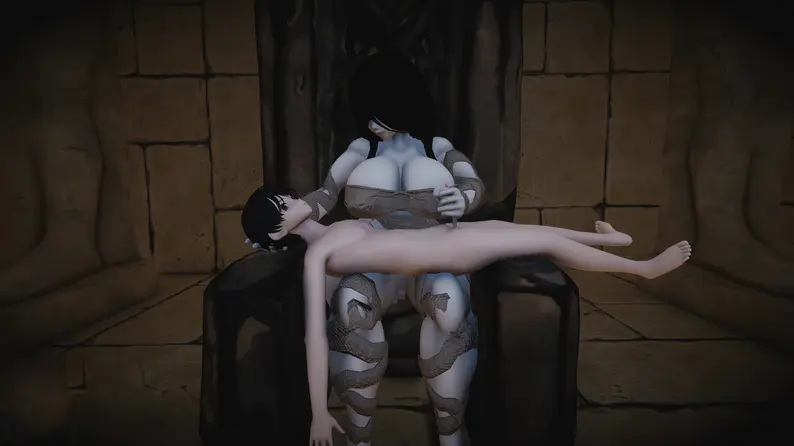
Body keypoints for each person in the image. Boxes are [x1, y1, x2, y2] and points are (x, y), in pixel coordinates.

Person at [241, 184, 692, 446]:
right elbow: (315, 337)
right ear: (277, 233)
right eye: (282, 208)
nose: (292, 202)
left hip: (443, 237)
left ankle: (613, 242)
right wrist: (320, 413)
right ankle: (644, 269)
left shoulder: (331, 229)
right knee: (541, 242)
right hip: (448, 254)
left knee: (512, 229)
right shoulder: (316, 255)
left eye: (285, 197)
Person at [248, 51, 488, 446]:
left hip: (432, 257)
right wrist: (288, 216)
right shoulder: (362, 148)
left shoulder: (438, 146)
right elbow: (325, 194)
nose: (372, 123)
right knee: (350, 306)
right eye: (369, 113)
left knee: (452, 303)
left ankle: (451, 433)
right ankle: (358, 439)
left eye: (379, 113)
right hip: (374, 259)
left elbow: (472, 183)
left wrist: (464, 198)